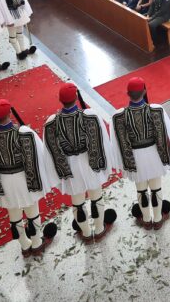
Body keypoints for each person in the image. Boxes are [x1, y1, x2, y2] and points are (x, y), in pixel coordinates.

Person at [0, 98, 58, 256]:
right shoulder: (24, 133)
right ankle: (36, 243)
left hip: (3, 181)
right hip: (25, 179)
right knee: (32, 211)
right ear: (9, 114)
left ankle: (24, 245)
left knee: (13, 214)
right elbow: (39, 157)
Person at [43, 83, 119, 242]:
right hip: (90, 163)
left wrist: (58, 172)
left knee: (77, 203)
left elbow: (50, 152)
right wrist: (104, 164)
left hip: (69, 166)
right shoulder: (90, 116)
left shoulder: (51, 123)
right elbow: (102, 141)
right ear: (76, 98)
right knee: (96, 198)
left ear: (59, 100)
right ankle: (99, 229)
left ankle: (85, 233)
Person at [111, 77, 170, 228]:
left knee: (141, 190)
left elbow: (117, 143)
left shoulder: (118, 116)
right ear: (144, 91)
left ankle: (146, 220)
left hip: (135, 158)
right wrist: (167, 156)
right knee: (156, 188)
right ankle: (157, 219)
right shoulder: (157, 109)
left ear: (127, 93)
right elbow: (168, 135)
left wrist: (123, 163)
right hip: (154, 155)